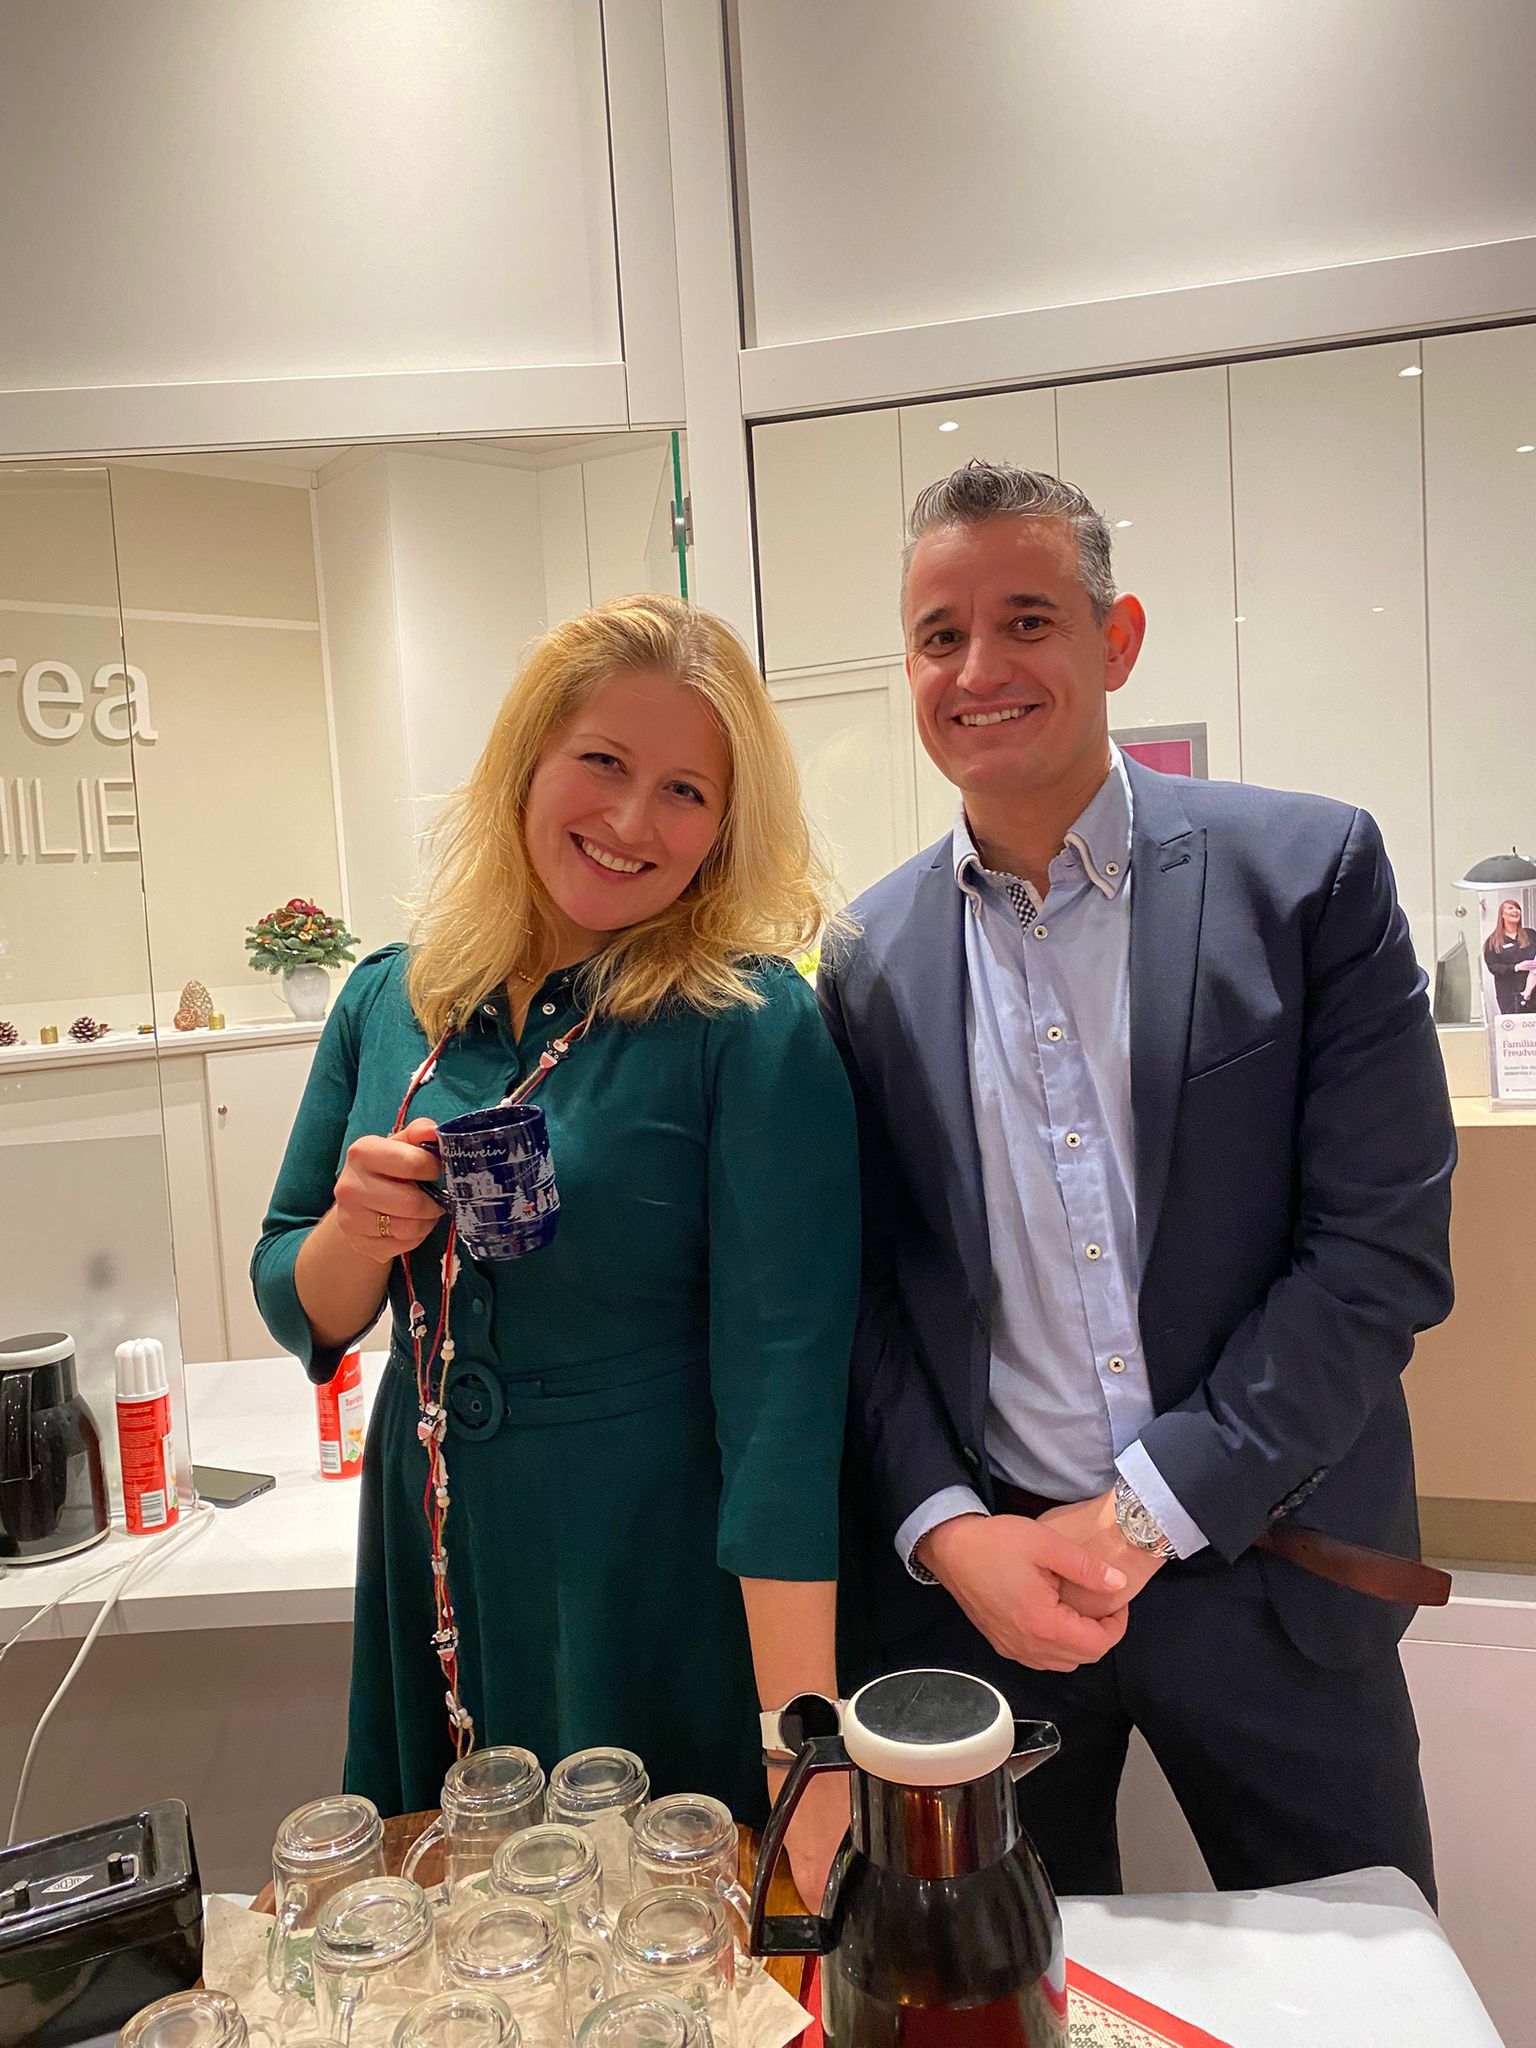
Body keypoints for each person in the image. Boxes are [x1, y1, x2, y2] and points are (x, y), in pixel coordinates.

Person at [817, 461, 1456, 1901]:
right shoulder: (865, 961)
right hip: (995, 1606)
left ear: (1117, 640)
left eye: (1026, 620)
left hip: (1278, 1568)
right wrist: (949, 1532)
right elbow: (860, 1296)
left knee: (1355, 1981)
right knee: (1002, 1984)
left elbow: (1380, 1253)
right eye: (938, 635)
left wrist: (1141, 1513)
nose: (979, 669)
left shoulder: (1310, 875)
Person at [253, 594, 857, 1906]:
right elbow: (294, 1291)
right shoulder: (392, 994)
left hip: (639, 1565)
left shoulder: (748, 1024)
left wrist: (800, 1751)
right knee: (448, 1943)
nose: (633, 820)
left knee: (644, 1939)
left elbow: (785, 1409)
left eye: (686, 790)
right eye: (603, 761)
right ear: (528, 761)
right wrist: (359, 1233)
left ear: (726, 824)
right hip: (428, 1540)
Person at [1483, 897, 1536, 1013]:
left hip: (1533, 991)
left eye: (1517, 908)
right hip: (1508, 993)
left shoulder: (1531, 934)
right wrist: (1516, 967)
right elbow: (1493, 967)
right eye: (1510, 908)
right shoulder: (1493, 941)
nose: (1515, 910)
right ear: (1502, 915)